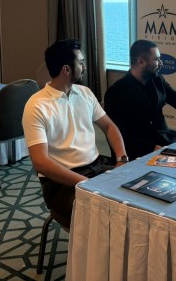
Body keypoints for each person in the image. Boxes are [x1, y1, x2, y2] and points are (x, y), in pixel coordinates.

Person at [22, 38, 128, 222]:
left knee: (135, 197)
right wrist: (85, 183)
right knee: (105, 212)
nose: (84, 67)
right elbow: (40, 162)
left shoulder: (85, 93)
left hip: (97, 167)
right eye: (81, 62)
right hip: (61, 182)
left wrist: (121, 158)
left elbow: (109, 126)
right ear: (66, 69)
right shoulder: (36, 106)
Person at [104, 39, 176, 160]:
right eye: (156, 59)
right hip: (139, 150)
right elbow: (119, 134)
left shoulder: (156, 78)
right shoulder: (116, 92)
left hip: (164, 139)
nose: (161, 63)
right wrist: (151, 148)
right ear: (140, 61)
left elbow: (174, 97)